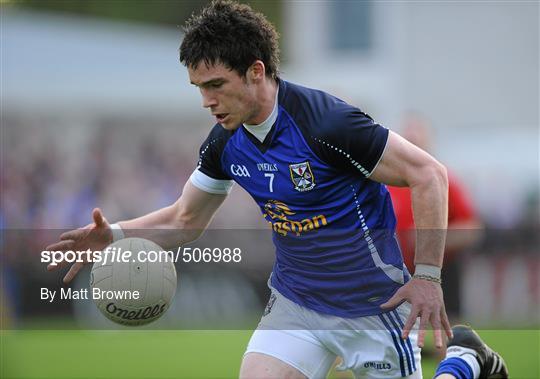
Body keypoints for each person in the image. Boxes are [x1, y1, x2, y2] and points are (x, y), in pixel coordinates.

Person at [46, 1, 507, 378]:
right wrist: (117, 236)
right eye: (198, 88)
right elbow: (184, 220)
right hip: (296, 305)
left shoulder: (327, 123)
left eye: (215, 85)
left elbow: (430, 175)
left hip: (372, 305)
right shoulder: (225, 142)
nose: (206, 101)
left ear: (255, 71)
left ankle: (465, 361)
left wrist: (427, 277)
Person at [388, 112, 484, 318]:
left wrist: (429, 240)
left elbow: (472, 230)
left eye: (417, 139)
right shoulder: (386, 184)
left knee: (445, 336)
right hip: (395, 274)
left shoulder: (445, 182)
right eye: (407, 140)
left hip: (441, 273)